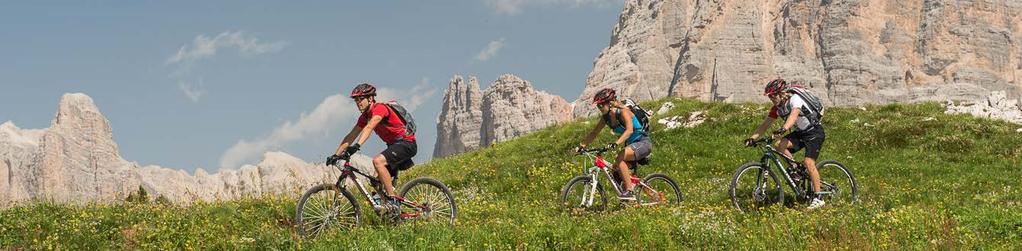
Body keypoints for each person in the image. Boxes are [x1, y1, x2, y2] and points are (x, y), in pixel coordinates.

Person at [327, 83, 417, 209]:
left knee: (378, 161)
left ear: (370, 99)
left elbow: (370, 127)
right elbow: (351, 135)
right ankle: (390, 212)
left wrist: (357, 146)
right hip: (394, 146)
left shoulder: (380, 108)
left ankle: (392, 201)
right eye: (356, 100)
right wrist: (336, 155)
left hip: (407, 143)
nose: (358, 103)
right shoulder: (364, 117)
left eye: (361, 99)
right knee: (375, 181)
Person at [745, 78, 826, 209]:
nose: (772, 99)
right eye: (770, 97)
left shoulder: (795, 99)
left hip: (814, 132)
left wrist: (783, 128)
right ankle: (795, 168)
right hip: (801, 133)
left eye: (773, 96)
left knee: (808, 162)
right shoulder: (777, 108)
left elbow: (793, 116)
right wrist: (752, 138)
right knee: (779, 144)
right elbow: (765, 125)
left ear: (781, 93)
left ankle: (819, 198)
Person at [576, 88, 653, 201]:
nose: (599, 108)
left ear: (610, 103)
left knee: (619, 157)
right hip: (631, 146)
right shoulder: (606, 118)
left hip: (643, 142)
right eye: (598, 106)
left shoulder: (623, 111)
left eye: (601, 105)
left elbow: (629, 130)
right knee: (617, 171)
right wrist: (582, 146)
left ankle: (629, 191)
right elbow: (594, 132)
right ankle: (643, 197)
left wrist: (616, 143)